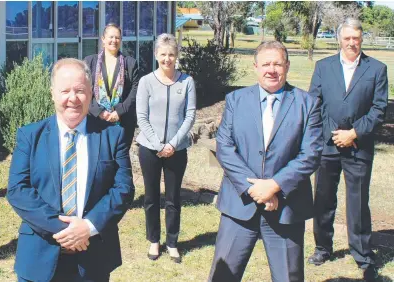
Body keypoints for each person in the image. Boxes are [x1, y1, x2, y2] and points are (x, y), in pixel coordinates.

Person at [7, 58, 135, 282]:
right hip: (39, 255)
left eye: (80, 90)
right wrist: (67, 232)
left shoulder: (113, 136)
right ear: (52, 94)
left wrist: (88, 226)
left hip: (93, 256)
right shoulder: (30, 136)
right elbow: (18, 190)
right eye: (65, 91)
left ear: (91, 93)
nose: (72, 99)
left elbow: (123, 189)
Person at [208, 41, 323, 282]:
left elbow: (310, 154)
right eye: (266, 64)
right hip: (239, 207)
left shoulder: (307, 104)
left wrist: (274, 185)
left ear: (287, 66)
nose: (271, 69)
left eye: (277, 63)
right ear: (256, 67)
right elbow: (225, 147)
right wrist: (254, 188)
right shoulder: (235, 100)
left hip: (286, 208)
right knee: (222, 277)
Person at [308, 18, 388, 281]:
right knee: (323, 199)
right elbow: (315, 104)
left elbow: (378, 109)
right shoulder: (323, 67)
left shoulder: (377, 69)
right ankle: (322, 247)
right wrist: (335, 135)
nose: (352, 42)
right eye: (347, 38)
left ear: (361, 38)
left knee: (358, 202)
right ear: (339, 39)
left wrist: (354, 133)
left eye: (356, 38)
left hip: (358, 146)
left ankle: (363, 254)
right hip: (327, 145)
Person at [135, 33, 196, 263]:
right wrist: (158, 144)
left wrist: (172, 144)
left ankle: (172, 242)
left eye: (171, 54)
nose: (167, 59)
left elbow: (190, 115)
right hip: (150, 149)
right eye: (163, 54)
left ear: (176, 56)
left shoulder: (187, 82)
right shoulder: (146, 82)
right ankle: (154, 240)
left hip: (177, 150)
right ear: (156, 55)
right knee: (151, 197)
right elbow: (142, 116)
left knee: (173, 198)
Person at [84, 23, 140, 144]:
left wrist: (119, 112)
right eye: (111, 37)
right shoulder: (90, 62)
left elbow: (135, 90)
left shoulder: (130, 63)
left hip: (122, 120)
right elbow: (85, 89)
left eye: (117, 37)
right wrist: (99, 112)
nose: (114, 40)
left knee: (120, 158)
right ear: (103, 39)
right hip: (95, 120)